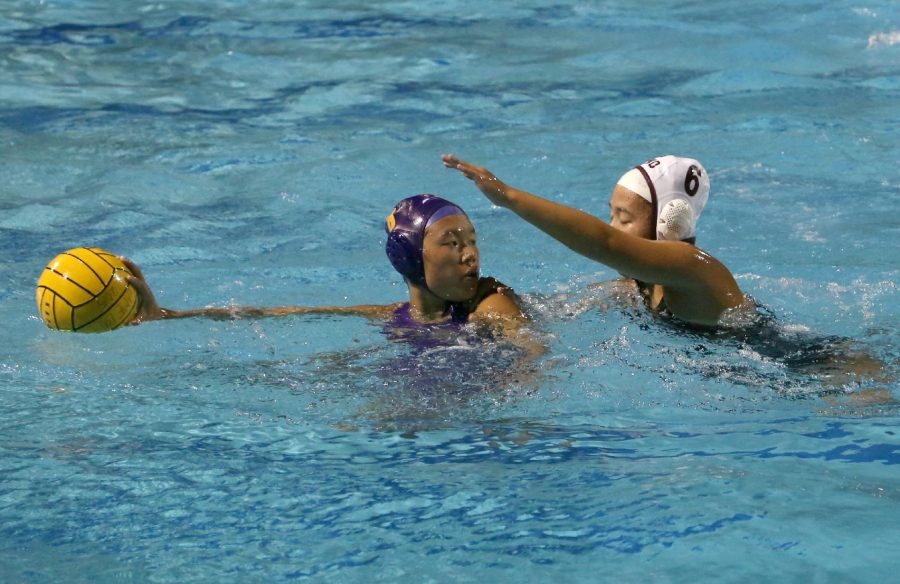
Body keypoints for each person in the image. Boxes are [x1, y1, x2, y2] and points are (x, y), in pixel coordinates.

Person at [127, 194, 525, 330]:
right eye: (452, 243)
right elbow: (287, 313)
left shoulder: (491, 302)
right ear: (410, 257)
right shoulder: (395, 316)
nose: (470, 254)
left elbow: (529, 346)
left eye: (471, 241)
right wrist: (173, 316)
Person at [442, 154, 745, 327]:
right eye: (611, 216)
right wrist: (507, 302)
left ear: (670, 222)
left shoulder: (694, 269)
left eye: (624, 219)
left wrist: (507, 197)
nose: (613, 227)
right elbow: (557, 312)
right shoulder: (639, 287)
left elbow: (606, 243)